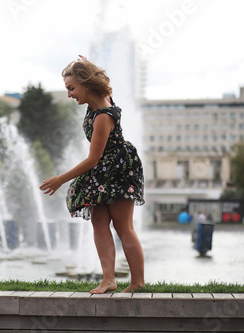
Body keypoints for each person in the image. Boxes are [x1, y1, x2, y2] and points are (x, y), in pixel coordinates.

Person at [40, 55, 145, 294]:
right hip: (102, 171)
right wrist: (83, 67)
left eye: (71, 88)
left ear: (86, 86)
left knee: (123, 226)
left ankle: (137, 282)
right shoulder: (95, 103)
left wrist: (60, 180)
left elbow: (93, 158)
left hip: (118, 170)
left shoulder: (103, 115)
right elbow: (97, 161)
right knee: (98, 222)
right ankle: (108, 279)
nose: (69, 94)